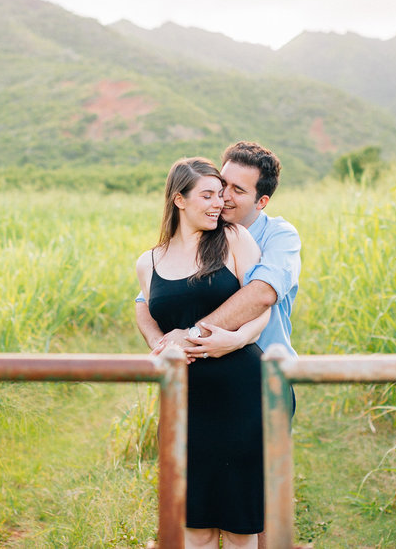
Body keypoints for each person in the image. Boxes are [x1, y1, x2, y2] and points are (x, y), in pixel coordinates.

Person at [136, 157, 270, 549]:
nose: (219, 203)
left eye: (222, 194)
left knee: (240, 524)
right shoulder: (149, 261)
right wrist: (159, 345)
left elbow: (260, 306)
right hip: (184, 397)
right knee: (193, 522)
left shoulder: (234, 240)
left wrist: (237, 339)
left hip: (240, 387)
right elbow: (146, 310)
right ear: (179, 199)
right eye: (208, 195)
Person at [137, 141, 300, 403]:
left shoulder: (279, 236)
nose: (223, 197)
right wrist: (163, 345)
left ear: (262, 201)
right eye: (223, 185)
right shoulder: (201, 235)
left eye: (238, 190)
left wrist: (192, 335)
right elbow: (146, 300)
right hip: (195, 382)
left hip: (264, 373)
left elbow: (261, 295)